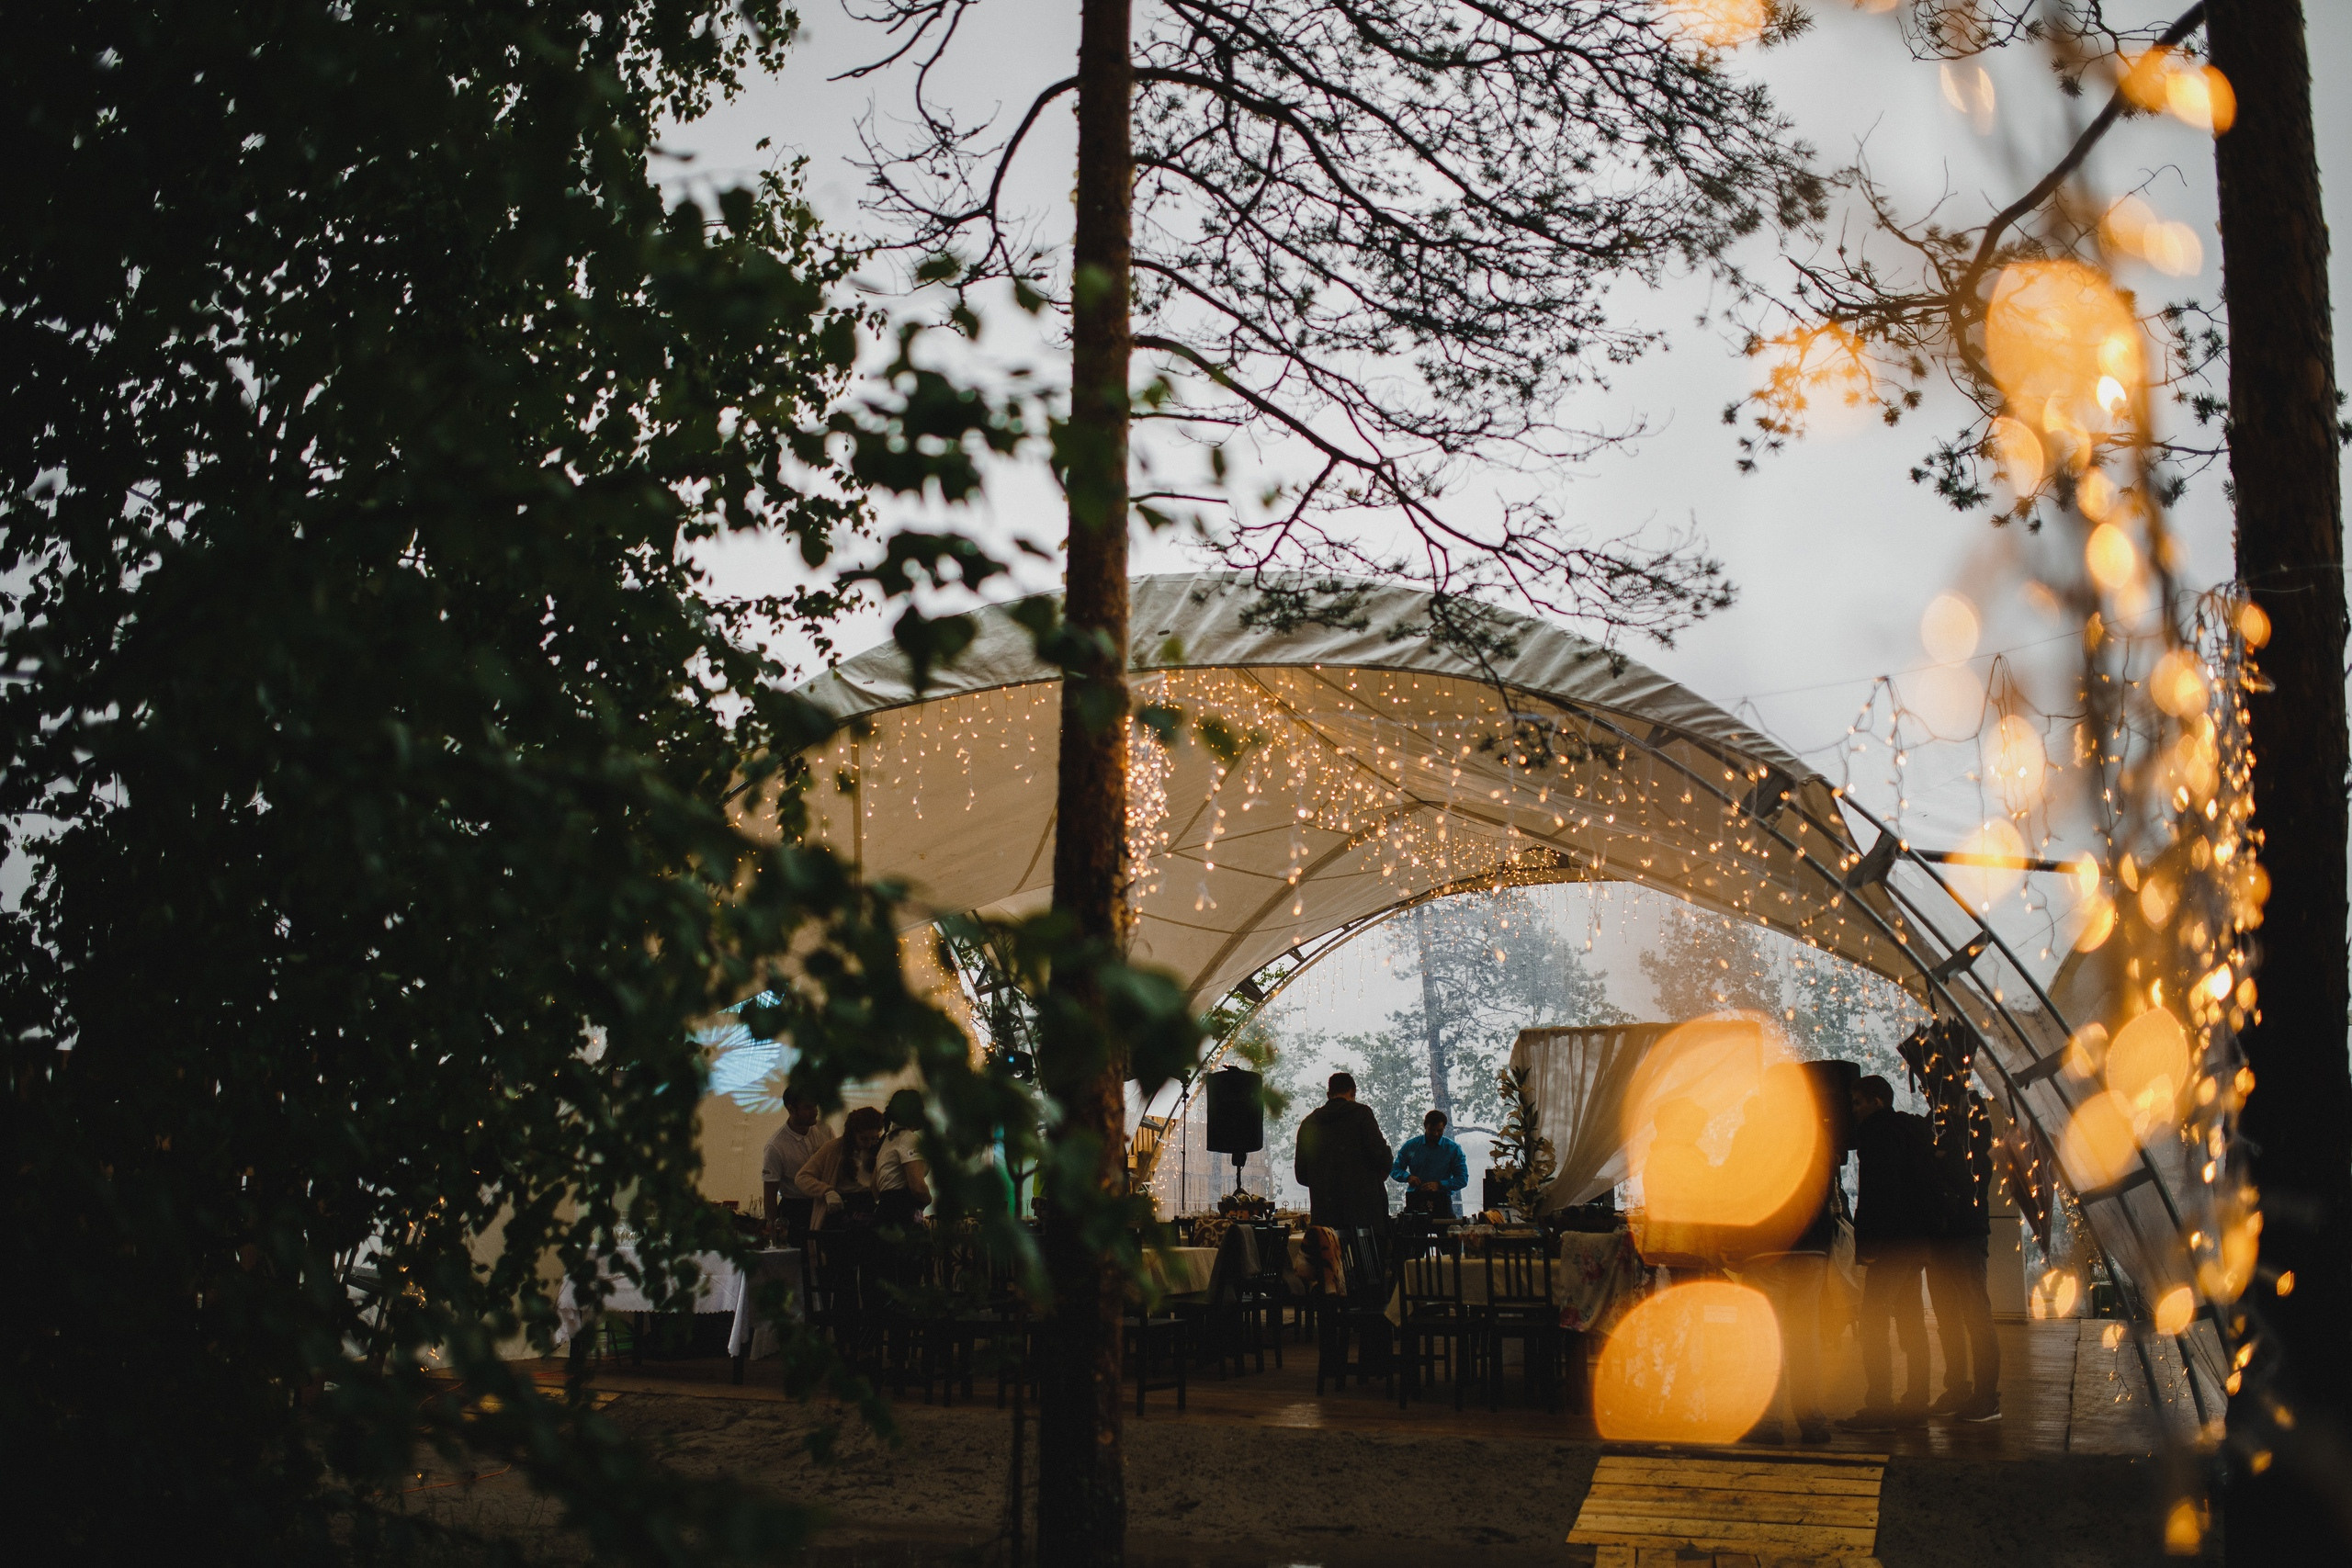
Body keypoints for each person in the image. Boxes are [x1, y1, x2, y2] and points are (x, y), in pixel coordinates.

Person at [1728, 1064, 1838, 1445]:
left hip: (1766, 1248)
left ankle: (1769, 1423)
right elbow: (1827, 1190)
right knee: (1805, 1334)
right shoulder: (1817, 1133)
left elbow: (1736, 1191)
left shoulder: (1751, 1134)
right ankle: (1813, 1421)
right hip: (1812, 1249)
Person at [1840, 1074, 1941, 1430]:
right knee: (1912, 1322)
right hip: (1917, 1243)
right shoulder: (1913, 1133)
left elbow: (1877, 1193)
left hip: (1892, 1244)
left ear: (1877, 1102)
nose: (1853, 1111)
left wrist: (1869, 1246)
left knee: (1872, 1321)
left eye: (1857, 1103)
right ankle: (1916, 1403)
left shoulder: (1876, 1134)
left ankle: (1879, 1405)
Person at [1925, 1089, 2003, 1421]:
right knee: (1953, 1318)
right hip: (1952, 1233)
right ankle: (1962, 1391)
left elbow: (1965, 1169)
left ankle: (1982, 1396)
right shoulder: (1947, 1119)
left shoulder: (1966, 1119)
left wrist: (1942, 1158)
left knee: (1971, 1316)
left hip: (1960, 1233)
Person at [1294, 1072, 1393, 1230]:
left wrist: (1324, 1182)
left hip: (1324, 1218)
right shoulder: (1362, 1114)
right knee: (1365, 1254)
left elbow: (1301, 1174)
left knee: (1327, 1255)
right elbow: (1382, 1156)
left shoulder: (1309, 1123)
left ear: (1328, 1094)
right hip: (1363, 1217)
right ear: (1353, 1093)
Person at [760, 1088, 831, 1246]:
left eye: (815, 1106)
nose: (815, 1111)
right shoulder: (776, 1146)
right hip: (796, 1211)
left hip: (825, 1206)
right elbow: (770, 1194)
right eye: (808, 1107)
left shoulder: (825, 1130)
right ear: (790, 1109)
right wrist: (772, 1234)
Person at [797, 1105, 885, 1230]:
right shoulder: (834, 1148)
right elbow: (802, 1177)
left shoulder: (880, 1150)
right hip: (842, 1210)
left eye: (874, 1139)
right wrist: (826, 1191)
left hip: (870, 1207)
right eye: (864, 1139)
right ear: (853, 1134)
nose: (869, 1144)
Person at [1391, 1109, 1469, 1217]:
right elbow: (1394, 1169)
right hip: (1416, 1199)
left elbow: (1463, 1179)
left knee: (1446, 1233)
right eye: (1432, 1130)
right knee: (1413, 1233)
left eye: (1440, 1130)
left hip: (1442, 1200)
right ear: (1425, 1126)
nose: (1436, 1134)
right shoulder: (1411, 1146)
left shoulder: (1453, 1149)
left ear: (1444, 1128)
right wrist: (1408, 1177)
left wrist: (1439, 1185)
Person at [874, 1089, 933, 1226]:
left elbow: (874, 1186)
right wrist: (927, 1199)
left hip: (884, 1214)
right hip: (902, 1216)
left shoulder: (887, 1140)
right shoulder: (909, 1139)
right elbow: (917, 1187)